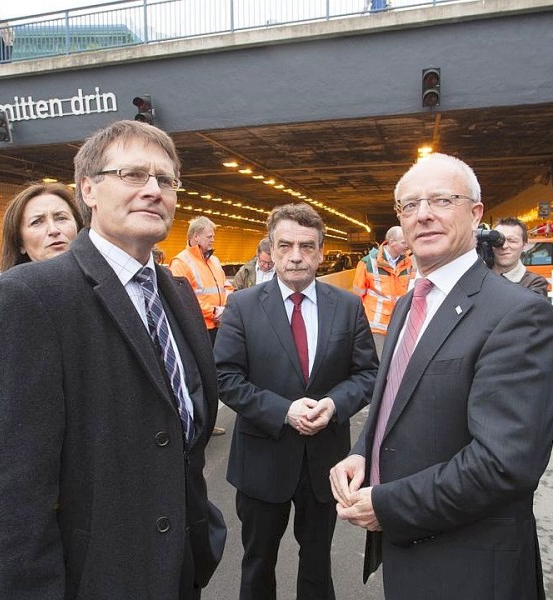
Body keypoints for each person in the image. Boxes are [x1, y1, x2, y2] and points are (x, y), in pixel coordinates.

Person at [0, 120, 226, 599]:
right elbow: (0, 503)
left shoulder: (177, 294)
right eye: (133, 175)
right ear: (89, 191)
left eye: (166, 180)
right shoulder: (27, 300)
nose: (153, 190)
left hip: (179, 571)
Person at [330, 153, 553, 600]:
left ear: (475, 214)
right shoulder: (408, 304)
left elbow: (504, 464)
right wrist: (363, 452)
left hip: (468, 566)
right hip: (409, 553)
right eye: (409, 205)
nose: (423, 213)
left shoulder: (517, 314)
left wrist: (387, 504)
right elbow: (397, 399)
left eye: (441, 200)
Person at [215, 202, 378, 600]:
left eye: (307, 246)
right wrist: (282, 410)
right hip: (262, 461)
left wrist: (335, 405)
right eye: (285, 245)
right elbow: (225, 377)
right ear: (270, 248)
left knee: (317, 565)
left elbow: (368, 374)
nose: (296, 256)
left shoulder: (348, 307)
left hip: (325, 463)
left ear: (321, 253)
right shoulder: (243, 306)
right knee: (257, 565)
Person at [169, 216, 233, 346]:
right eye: (209, 237)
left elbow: (227, 287)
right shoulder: (180, 263)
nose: (213, 240)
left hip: (220, 326)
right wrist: (214, 311)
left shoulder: (214, 260)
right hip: (198, 329)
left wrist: (225, 308)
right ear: (196, 237)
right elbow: (183, 299)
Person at [353, 226, 413, 356]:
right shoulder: (367, 263)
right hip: (376, 327)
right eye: (404, 242)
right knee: (378, 364)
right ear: (391, 242)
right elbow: (358, 294)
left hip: (399, 324)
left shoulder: (408, 263)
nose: (408, 245)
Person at [0, 182, 83, 271]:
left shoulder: (97, 275)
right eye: (36, 222)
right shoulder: (11, 284)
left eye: (61, 218)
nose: (53, 230)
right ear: (20, 243)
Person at [491, 216, 549, 297]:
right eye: (498, 241)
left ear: (524, 245)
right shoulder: (479, 275)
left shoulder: (535, 283)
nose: (504, 246)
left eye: (512, 241)